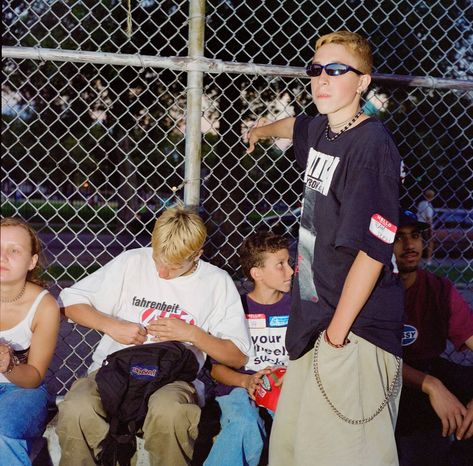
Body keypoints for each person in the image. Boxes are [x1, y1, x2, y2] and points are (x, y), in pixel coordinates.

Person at [247, 30, 403, 465]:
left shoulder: (371, 147)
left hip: (353, 331)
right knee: (290, 452)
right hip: (315, 326)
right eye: (316, 70)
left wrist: (337, 335)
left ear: (363, 82)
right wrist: (260, 131)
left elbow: (373, 251)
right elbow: (294, 126)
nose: (322, 79)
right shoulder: (323, 130)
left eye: (337, 70)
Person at [56, 207, 252, 466]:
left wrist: (193, 334)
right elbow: (68, 304)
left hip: (173, 378)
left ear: (197, 255)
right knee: (77, 408)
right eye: (157, 259)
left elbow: (237, 356)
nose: (161, 273)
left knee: (171, 412)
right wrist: (112, 325)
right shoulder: (132, 262)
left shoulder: (216, 282)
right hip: (115, 369)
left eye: (173, 267)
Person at [203, 231, 293, 466]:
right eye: (280, 265)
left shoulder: (297, 309)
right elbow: (216, 369)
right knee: (244, 423)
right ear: (257, 273)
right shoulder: (236, 309)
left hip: (285, 387)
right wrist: (246, 381)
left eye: (289, 262)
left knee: (294, 425)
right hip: (238, 387)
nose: (291, 271)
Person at [393, 209, 473, 466]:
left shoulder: (439, 289)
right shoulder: (374, 291)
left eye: (415, 236)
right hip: (387, 380)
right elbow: (377, 360)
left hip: (428, 367)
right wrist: (432, 386)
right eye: (398, 238)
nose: (409, 245)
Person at [0, 217, 60, 465]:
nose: (2, 257)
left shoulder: (44, 306)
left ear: (32, 261)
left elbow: (34, 376)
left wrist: (8, 365)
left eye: (14, 250)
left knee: (3, 429)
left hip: (22, 390)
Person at [417, 189, 435, 265]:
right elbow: (428, 218)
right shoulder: (428, 205)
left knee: (421, 242)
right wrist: (431, 229)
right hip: (425, 225)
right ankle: (429, 260)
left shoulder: (421, 203)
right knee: (430, 242)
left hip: (419, 223)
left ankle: (419, 258)